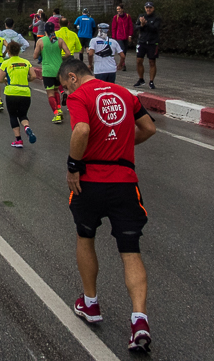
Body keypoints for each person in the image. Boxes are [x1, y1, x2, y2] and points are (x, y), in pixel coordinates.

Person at [61, 57, 156, 353]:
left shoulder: (79, 96)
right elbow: (149, 128)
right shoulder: (126, 94)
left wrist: (73, 166)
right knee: (130, 250)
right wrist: (125, 146)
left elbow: (81, 131)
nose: (65, 91)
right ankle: (139, 319)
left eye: (65, 85)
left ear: (73, 78)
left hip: (89, 180)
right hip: (125, 182)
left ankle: (90, 303)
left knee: (85, 237)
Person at [0, 40, 38, 147]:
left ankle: (18, 140)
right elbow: (34, 76)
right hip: (25, 92)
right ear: (19, 50)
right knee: (23, 114)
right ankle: (27, 127)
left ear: (8, 51)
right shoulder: (26, 62)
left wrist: (6, 80)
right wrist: (26, 79)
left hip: (11, 92)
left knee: (13, 115)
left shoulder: (6, 63)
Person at [34, 22, 71, 124]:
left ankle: (56, 114)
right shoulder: (59, 40)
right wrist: (60, 58)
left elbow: (35, 56)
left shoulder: (40, 41)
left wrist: (43, 54)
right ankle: (58, 108)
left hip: (47, 71)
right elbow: (68, 53)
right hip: (59, 70)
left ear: (45, 30)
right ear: (54, 30)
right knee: (56, 91)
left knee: (50, 93)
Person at [134, 3, 161, 89]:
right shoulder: (141, 16)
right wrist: (141, 25)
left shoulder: (156, 18)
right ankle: (141, 79)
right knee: (139, 60)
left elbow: (155, 28)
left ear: (153, 8)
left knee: (152, 61)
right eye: (147, 8)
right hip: (142, 41)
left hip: (152, 42)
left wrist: (146, 24)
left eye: (150, 8)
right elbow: (136, 27)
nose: (148, 9)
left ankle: (151, 81)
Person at [110, 5, 133, 72]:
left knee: (125, 50)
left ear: (122, 9)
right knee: (122, 50)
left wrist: (130, 35)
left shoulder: (128, 17)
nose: (118, 11)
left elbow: (130, 26)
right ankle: (122, 64)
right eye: (117, 9)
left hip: (125, 36)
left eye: (119, 9)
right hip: (119, 36)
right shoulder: (115, 17)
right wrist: (113, 37)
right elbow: (113, 28)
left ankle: (122, 62)